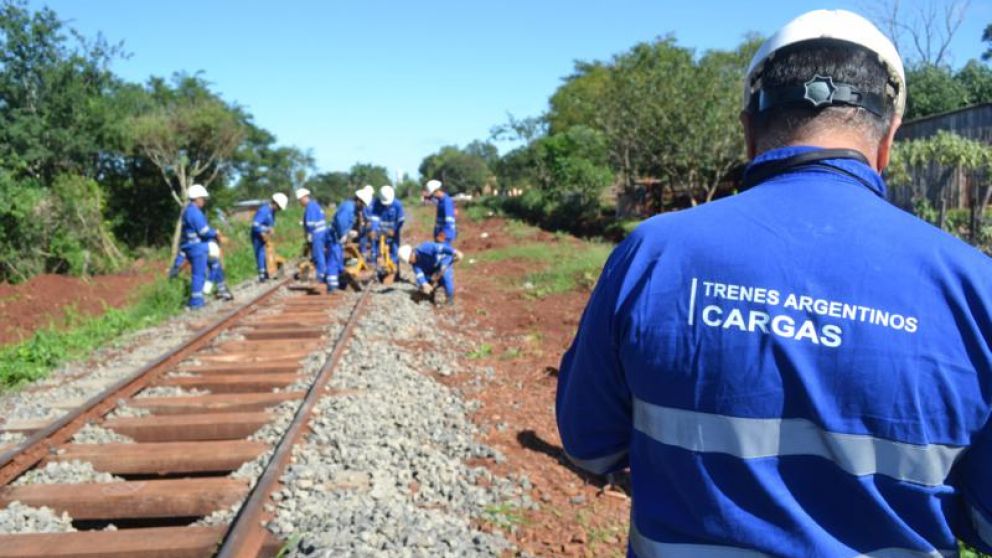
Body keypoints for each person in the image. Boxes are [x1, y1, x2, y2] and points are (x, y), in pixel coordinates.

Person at [556, 9, 992, 557]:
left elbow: (588, 442)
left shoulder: (652, 254)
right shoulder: (976, 289)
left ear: (748, 131)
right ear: (889, 139)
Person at [179, 184, 232, 308]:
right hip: (197, 247)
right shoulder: (194, 212)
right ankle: (196, 302)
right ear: (196, 198)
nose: (204, 201)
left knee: (215, 264)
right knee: (199, 274)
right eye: (202, 198)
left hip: (196, 246)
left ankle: (219, 289)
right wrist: (216, 233)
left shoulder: (190, 211)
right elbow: (204, 231)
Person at [328, 188, 373, 291]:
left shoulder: (355, 209)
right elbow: (341, 223)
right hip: (336, 237)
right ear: (359, 200)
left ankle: (342, 279)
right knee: (335, 260)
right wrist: (345, 235)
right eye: (363, 204)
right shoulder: (348, 207)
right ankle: (332, 287)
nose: (363, 207)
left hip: (340, 238)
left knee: (349, 259)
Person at [398, 242, 462, 305]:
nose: (410, 263)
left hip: (443, 261)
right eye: (409, 262)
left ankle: (450, 301)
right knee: (423, 283)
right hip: (431, 267)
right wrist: (425, 284)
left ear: (411, 253)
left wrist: (454, 252)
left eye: (410, 261)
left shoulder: (425, 248)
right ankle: (432, 298)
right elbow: (420, 275)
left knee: (446, 280)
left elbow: (442, 248)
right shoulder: (415, 264)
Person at [296, 188, 331, 291]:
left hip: (317, 234)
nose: (300, 203)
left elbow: (311, 224)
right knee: (321, 255)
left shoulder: (310, 207)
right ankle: (323, 274)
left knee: (317, 255)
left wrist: (308, 232)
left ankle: (320, 277)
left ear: (304, 197)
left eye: (300, 200)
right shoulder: (315, 205)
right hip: (322, 232)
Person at [251, 192, 288, 282]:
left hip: (266, 235)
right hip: (258, 236)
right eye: (278, 207)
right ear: (275, 203)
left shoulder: (272, 212)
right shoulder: (264, 211)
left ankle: (268, 271)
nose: (278, 209)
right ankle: (262, 274)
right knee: (260, 253)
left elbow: (270, 224)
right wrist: (263, 231)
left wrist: (271, 230)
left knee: (269, 253)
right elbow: (255, 225)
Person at [373, 185, 405, 280]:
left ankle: (395, 273)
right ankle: (379, 273)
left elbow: (401, 220)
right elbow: (374, 219)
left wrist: (394, 230)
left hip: (393, 233)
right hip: (380, 232)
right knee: (378, 251)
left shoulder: (397, 204)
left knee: (395, 251)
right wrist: (375, 231)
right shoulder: (376, 203)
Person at [425, 179, 456, 245]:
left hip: (444, 236)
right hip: (440, 233)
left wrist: (442, 235)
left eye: (432, 194)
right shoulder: (440, 201)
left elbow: (449, 220)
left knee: (444, 254)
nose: (432, 196)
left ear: (436, 191)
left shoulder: (446, 201)